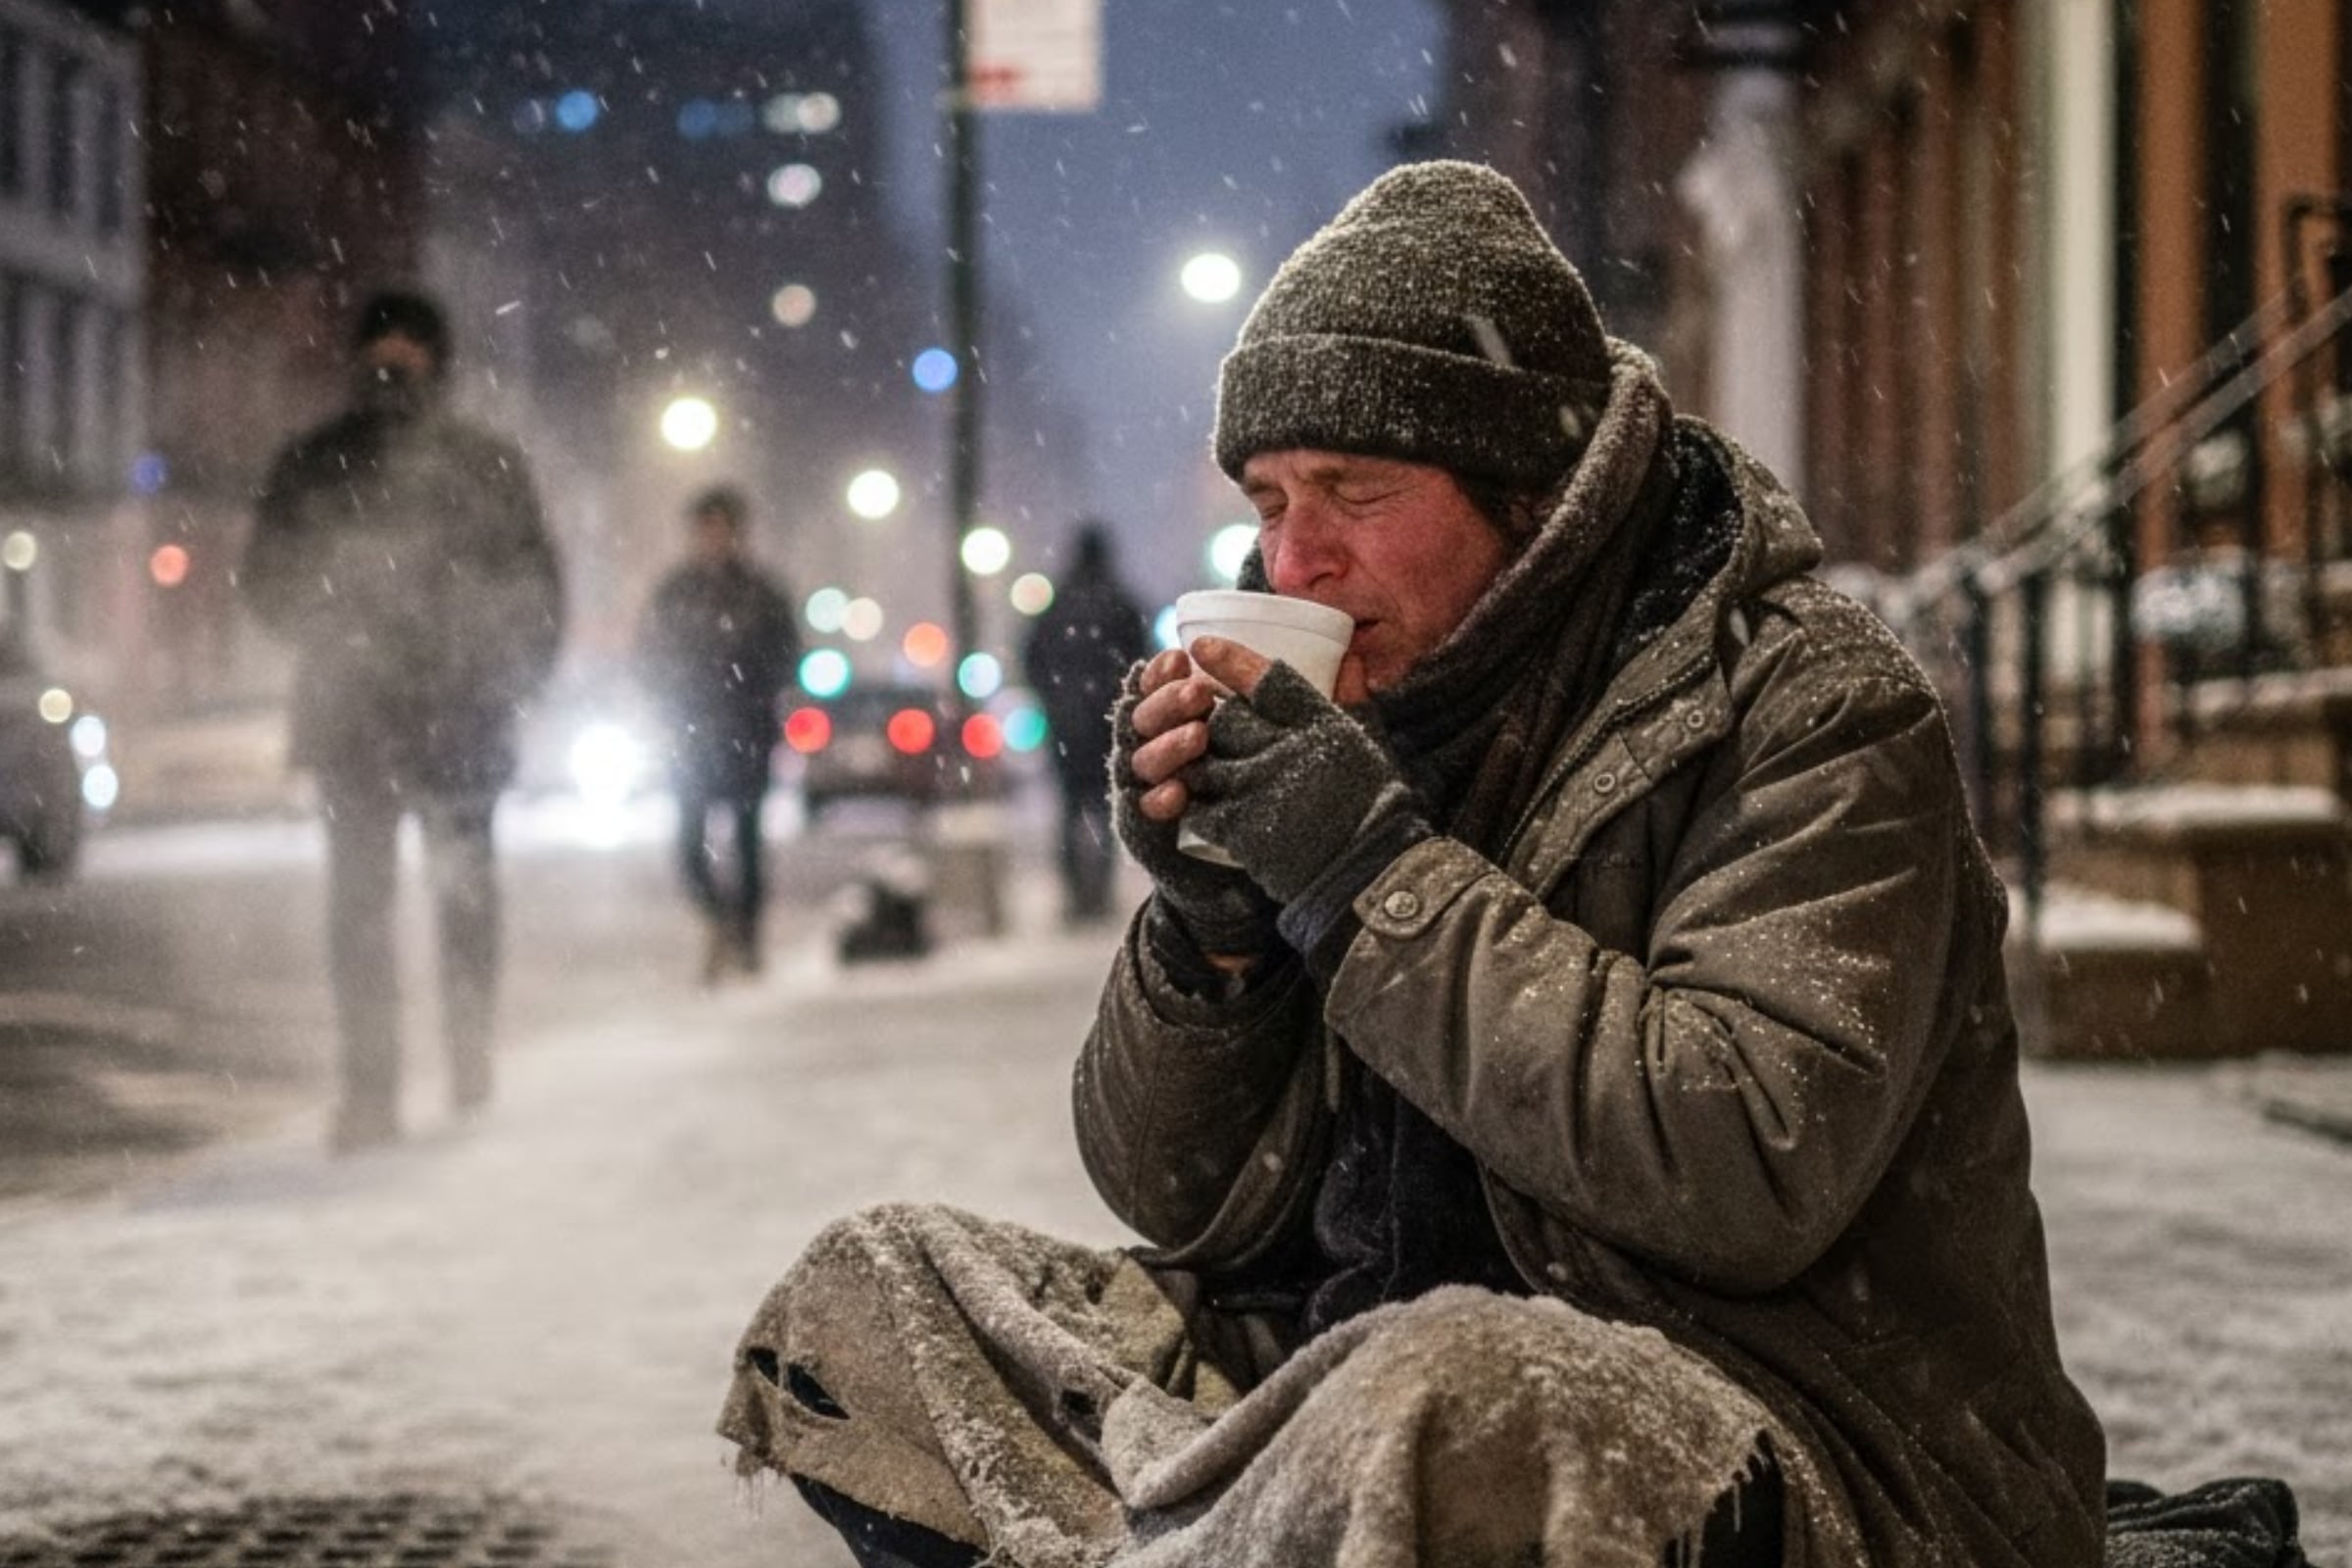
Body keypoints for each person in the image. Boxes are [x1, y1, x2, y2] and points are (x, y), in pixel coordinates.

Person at [718, 162, 2106, 1567]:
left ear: (1535, 496)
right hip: (1352, 1376)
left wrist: (1362, 866)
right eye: (1269, 501)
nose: (1292, 559)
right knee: (877, 1299)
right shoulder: (1375, 707)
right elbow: (1169, 1193)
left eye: (1353, 491)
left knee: (1449, 1400)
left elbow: (1742, 1160)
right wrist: (1215, 928)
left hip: (1795, 1438)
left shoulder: (1810, 703)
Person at [243, 289, 564, 1154]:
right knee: (360, 912)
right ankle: (370, 1089)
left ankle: (467, 1052)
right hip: (353, 719)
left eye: (409, 344)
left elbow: (538, 591)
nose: (393, 357)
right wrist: (337, 625)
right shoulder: (315, 462)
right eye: (379, 341)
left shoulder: (484, 464)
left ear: (437, 359)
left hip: (458, 717)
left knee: (463, 895)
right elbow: (266, 578)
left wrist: (500, 672)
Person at [635, 485, 802, 983]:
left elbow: (785, 657)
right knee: (690, 845)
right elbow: (649, 656)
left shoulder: (761, 593)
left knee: (748, 842)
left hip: (745, 732)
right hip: (689, 736)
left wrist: (749, 694)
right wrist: (672, 701)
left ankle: (745, 938)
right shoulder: (675, 594)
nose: (713, 538)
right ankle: (719, 921)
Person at [1020, 521, 1152, 924]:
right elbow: (1142, 660)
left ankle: (1075, 892)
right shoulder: (1121, 604)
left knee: (1068, 808)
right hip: (1106, 723)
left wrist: (1052, 699)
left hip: (1064, 724)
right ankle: (1099, 891)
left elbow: (1031, 659)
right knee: (1106, 804)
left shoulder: (1055, 605)